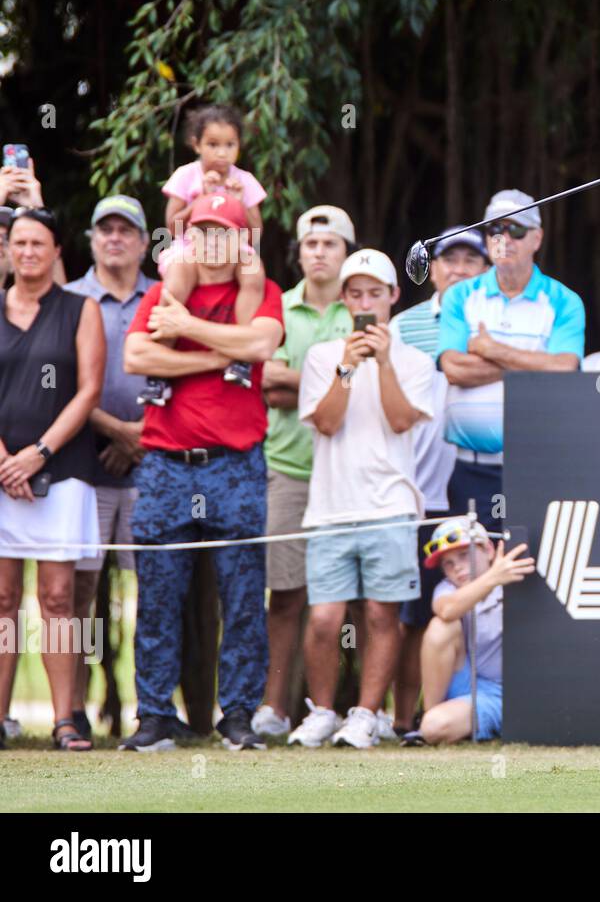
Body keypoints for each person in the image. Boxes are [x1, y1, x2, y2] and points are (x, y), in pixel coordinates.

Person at [119, 193, 284, 753]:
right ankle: (155, 716)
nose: (213, 240)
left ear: (242, 239)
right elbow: (138, 357)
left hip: (235, 465)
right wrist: (218, 358)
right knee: (159, 596)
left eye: (224, 231)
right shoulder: (167, 291)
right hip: (168, 465)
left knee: (242, 597)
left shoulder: (263, 293)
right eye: (203, 230)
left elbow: (261, 343)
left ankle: (237, 714)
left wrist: (189, 327)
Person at [287, 250, 436, 748]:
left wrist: (385, 361)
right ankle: (323, 710)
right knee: (326, 619)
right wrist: (347, 367)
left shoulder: (415, 360)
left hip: (391, 505)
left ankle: (367, 714)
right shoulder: (321, 357)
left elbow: (400, 420)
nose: (365, 302)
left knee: (380, 616)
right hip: (330, 507)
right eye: (356, 294)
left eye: (375, 293)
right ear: (344, 300)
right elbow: (326, 423)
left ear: (393, 297)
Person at [0, 207, 104, 751]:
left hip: (60, 472)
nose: (28, 252)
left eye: (39, 243)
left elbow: (88, 390)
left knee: (59, 597)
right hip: (0, 476)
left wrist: (37, 454)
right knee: (1, 597)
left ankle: (66, 719)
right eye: (19, 242)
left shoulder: (78, 309)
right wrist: (5, 460)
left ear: (58, 250)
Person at [250, 206, 357, 738]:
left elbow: (359, 389)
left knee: (348, 598)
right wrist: (330, 382)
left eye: (330, 244)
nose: (319, 253)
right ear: (299, 252)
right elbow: (266, 382)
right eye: (310, 244)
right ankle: (274, 708)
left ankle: (346, 711)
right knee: (286, 593)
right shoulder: (279, 306)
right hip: (288, 467)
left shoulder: (357, 307)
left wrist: (305, 382)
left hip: (348, 474)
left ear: (346, 252)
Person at [63, 197, 157, 739]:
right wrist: (115, 430)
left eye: (127, 230)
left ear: (145, 242)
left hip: (153, 468)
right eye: (106, 230)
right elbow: (62, 385)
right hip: (86, 466)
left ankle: (154, 712)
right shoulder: (71, 299)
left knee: (155, 589)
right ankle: (71, 711)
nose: (115, 238)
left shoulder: (165, 296)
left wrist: (141, 435)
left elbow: (180, 375)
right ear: (92, 239)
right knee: (76, 593)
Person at [436, 190, 585, 532]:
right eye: (494, 230)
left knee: (536, 570)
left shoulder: (564, 301)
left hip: (541, 463)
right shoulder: (460, 294)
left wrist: (492, 349)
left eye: (515, 230)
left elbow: (564, 370)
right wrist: (531, 363)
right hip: (472, 470)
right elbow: (454, 369)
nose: (504, 239)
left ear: (537, 238)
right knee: (473, 568)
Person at [390, 225, 488, 739]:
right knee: (413, 615)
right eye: (449, 260)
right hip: (418, 491)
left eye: (472, 261)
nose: (459, 269)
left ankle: (465, 712)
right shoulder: (404, 325)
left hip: (476, 480)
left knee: (479, 599)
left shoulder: (494, 321)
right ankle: (406, 720)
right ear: (433, 268)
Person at [140, 104, 268, 403]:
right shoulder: (187, 176)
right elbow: (172, 226)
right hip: (191, 246)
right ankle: (160, 370)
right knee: (177, 273)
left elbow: (255, 232)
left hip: (233, 248)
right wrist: (202, 199)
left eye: (229, 145)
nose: (221, 153)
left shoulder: (244, 180)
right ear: (195, 144)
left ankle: (241, 356)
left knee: (252, 266)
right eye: (212, 144)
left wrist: (239, 204)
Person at [416, 517, 533, 744]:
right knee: (440, 626)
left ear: (488, 549)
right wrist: (493, 578)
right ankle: (428, 716)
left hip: (517, 690)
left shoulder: (518, 575)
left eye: (463, 555)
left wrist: (497, 577)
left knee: (437, 727)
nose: (457, 567)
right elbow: (447, 610)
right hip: (474, 687)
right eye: (448, 564)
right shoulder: (448, 588)